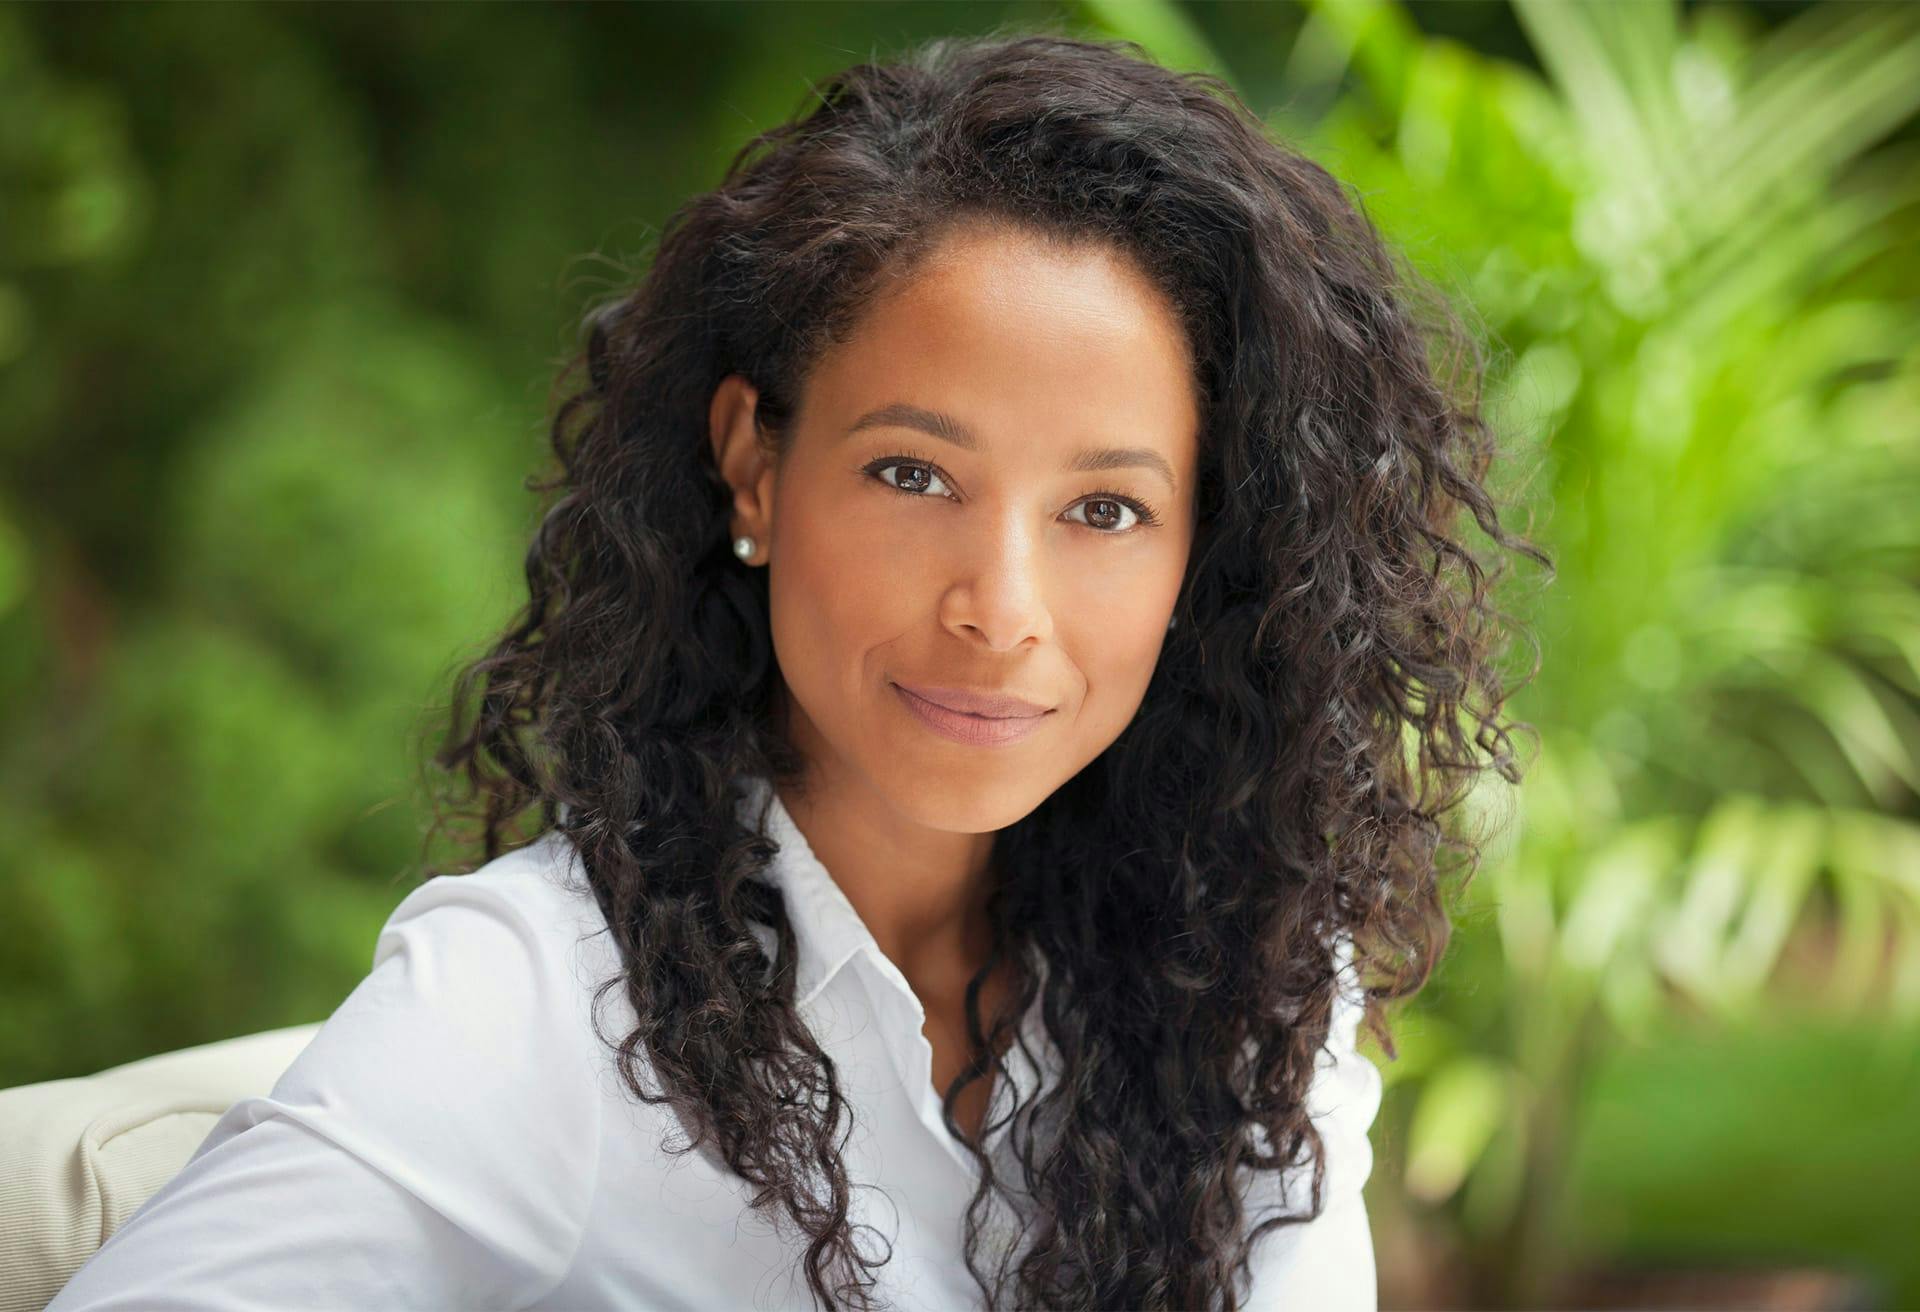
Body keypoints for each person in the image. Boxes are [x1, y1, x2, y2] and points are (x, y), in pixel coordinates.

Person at [46, 28, 1545, 1312]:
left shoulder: (1249, 977)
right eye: (912, 473)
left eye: (1105, 509)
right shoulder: (535, 1007)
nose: (1000, 608)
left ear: (1199, 558)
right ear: (754, 469)